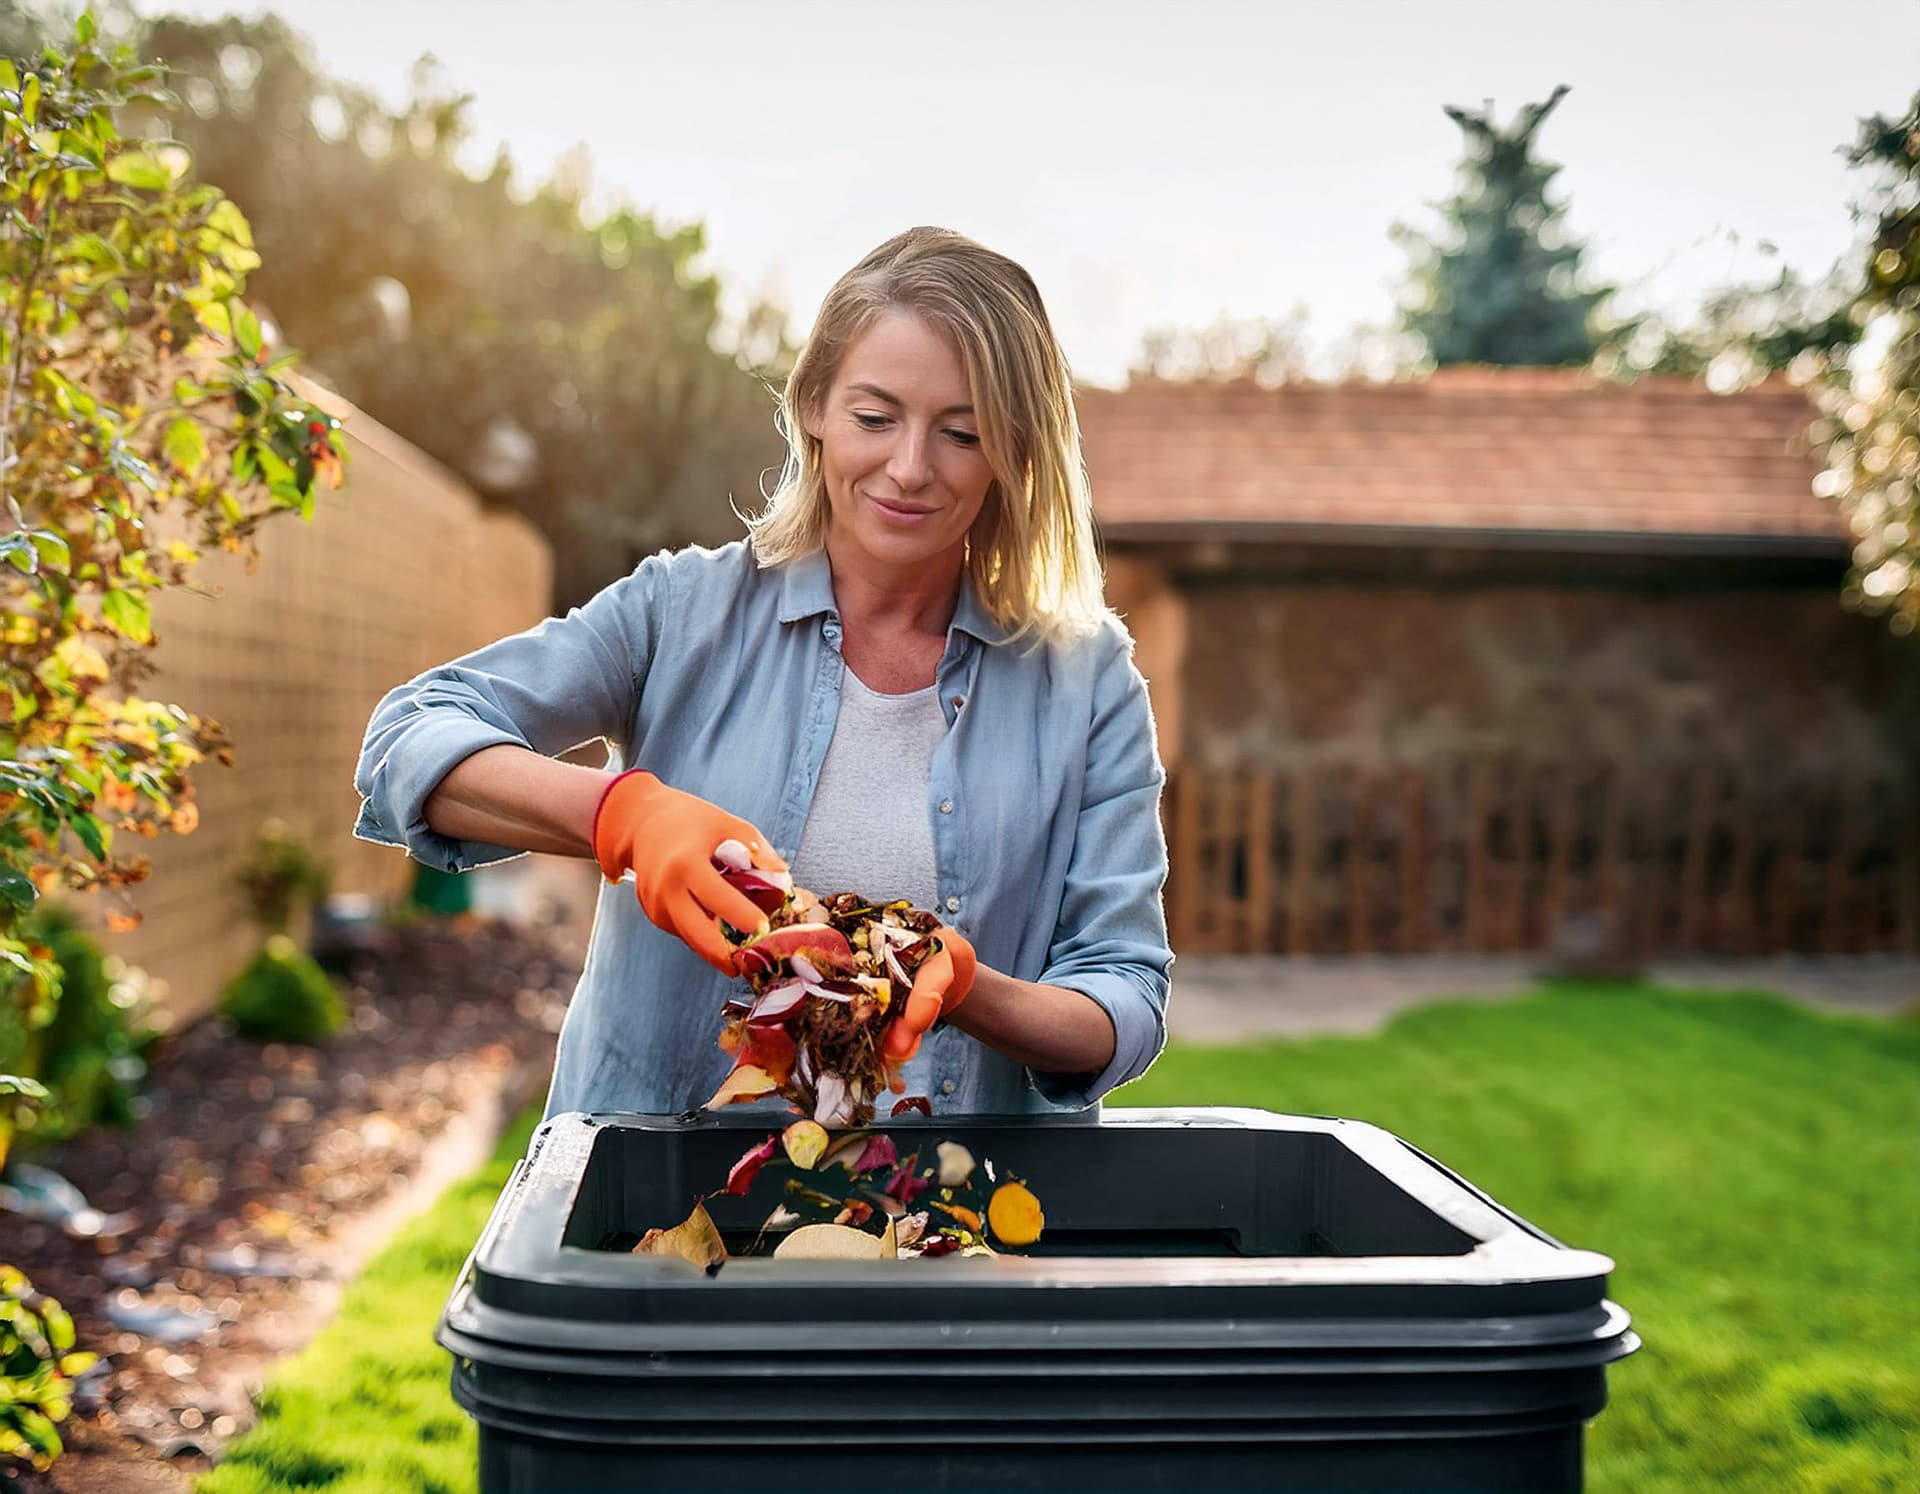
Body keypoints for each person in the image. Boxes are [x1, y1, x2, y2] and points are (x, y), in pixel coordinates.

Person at [354, 226, 1173, 1120]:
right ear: (814, 404)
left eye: (962, 433)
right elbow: (411, 733)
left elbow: (1124, 996)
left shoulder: (1086, 683)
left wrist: (965, 988)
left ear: (1015, 450)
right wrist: (622, 815)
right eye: (874, 417)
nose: (908, 467)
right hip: (657, 1227)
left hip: (945, 1233)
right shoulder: (682, 612)